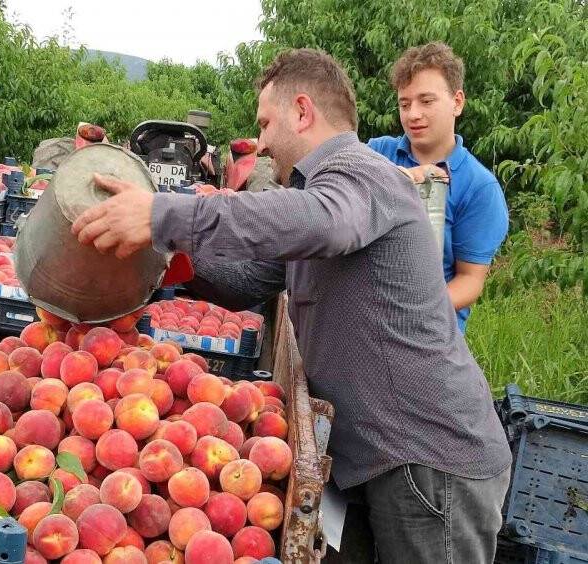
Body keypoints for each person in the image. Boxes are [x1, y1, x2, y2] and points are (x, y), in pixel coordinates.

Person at [71, 48, 511, 563]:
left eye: (264, 124)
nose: (260, 144)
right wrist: (160, 260)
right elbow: (246, 280)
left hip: (429, 459)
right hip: (383, 458)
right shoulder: (323, 194)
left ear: (302, 111)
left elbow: (325, 220)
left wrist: (165, 214)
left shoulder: (363, 174)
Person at [368, 42, 509, 333]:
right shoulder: (378, 152)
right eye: (404, 104)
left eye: (426, 101)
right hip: (365, 325)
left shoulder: (479, 187)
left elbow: (470, 279)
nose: (413, 114)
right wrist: (401, 177)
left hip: (430, 336)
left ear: (457, 102)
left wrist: (413, 310)